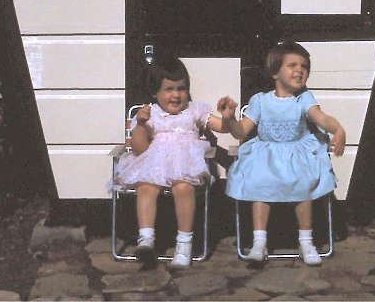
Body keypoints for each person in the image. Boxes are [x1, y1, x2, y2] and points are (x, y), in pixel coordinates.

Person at [218, 41, 346, 265]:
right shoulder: (260, 100)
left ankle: (306, 241)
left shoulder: (304, 99)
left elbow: (321, 118)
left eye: (304, 66)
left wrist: (337, 129)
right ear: (275, 71)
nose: (300, 70)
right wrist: (229, 119)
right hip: (266, 155)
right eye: (292, 65)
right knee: (258, 182)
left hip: (297, 153)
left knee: (304, 182)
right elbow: (241, 132)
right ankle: (259, 242)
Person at [110, 54, 233, 269]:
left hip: (186, 165)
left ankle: (184, 244)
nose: (176, 95)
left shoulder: (194, 111)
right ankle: (146, 239)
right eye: (169, 89)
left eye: (181, 88)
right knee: (146, 186)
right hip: (155, 163)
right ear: (155, 92)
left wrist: (228, 116)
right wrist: (140, 124)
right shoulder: (151, 114)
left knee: (183, 188)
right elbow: (139, 148)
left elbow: (221, 127)